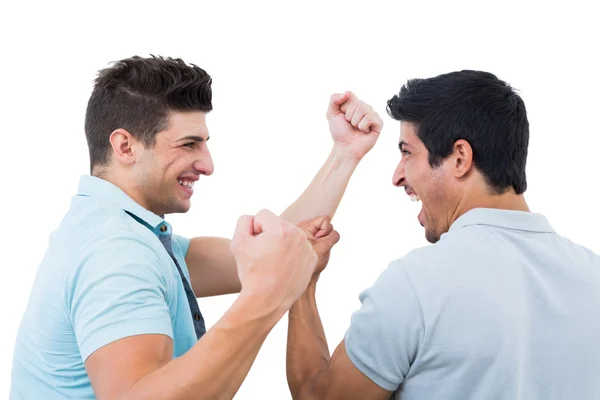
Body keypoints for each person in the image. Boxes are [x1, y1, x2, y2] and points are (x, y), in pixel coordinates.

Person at [9, 55, 383, 399]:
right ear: (125, 147)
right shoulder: (115, 250)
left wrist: (344, 154)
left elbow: (276, 250)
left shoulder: (125, 233)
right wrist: (267, 299)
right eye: (188, 145)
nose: (207, 165)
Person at [286, 70, 600, 400]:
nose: (397, 176)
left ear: (460, 158)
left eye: (407, 152)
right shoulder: (593, 274)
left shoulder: (416, 283)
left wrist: (302, 284)